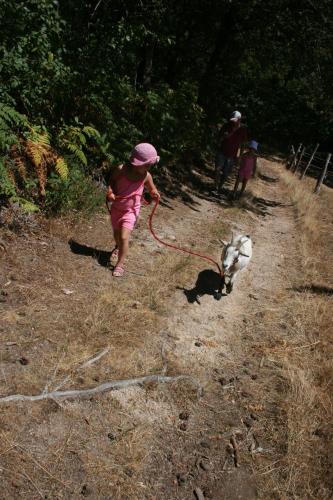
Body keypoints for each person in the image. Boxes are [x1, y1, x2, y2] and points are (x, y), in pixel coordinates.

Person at [106, 142, 160, 277]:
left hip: (131, 211)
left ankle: (119, 264)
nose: (149, 168)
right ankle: (118, 247)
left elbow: (152, 188)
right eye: (147, 165)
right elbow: (111, 182)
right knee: (117, 234)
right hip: (117, 208)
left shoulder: (146, 176)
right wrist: (110, 193)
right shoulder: (121, 170)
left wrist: (154, 193)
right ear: (137, 163)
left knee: (124, 236)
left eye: (150, 165)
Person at [214, 110, 248, 195]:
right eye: (232, 120)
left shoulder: (242, 130)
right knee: (217, 169)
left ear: (239, 120)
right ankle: (215, 187)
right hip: (222, 151)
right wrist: (232, 131)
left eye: (235, 120)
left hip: (232, 155)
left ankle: (219, 187)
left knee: (225, 174)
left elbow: (243, 144)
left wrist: (240, 156)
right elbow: (222, 137)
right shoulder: (226, 126)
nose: (233, 122)